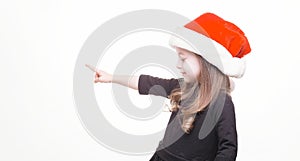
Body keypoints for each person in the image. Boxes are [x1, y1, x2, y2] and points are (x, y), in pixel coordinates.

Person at [93, 13, 251, 161]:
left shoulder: (222, 102)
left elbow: (228, 148)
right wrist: (111, 78)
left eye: (183, 58)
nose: (178, 65)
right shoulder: (182, 87)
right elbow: (147, 83)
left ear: (206, 61)